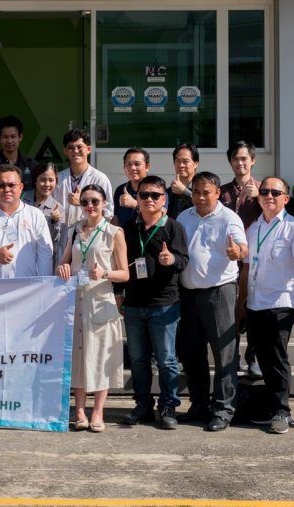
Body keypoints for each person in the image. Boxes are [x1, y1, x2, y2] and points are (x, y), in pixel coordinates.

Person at [237, 176, 294, 434]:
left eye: (275, 193)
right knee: (263, 357)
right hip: (256, 302)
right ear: (258, 197)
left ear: (285, 199)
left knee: (276, 357)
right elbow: (247, 268)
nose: (269, 196)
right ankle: (270, 406)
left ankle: (282, 411)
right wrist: (241, 302)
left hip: (280, 302)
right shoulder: (253, 228)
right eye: (265, 191)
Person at [176, 171, 247, 432]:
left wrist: (237, 252)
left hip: (219, 293)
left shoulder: (229, 218)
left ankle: (223, 409)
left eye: (206, 192)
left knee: (224, 354)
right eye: (196, 192)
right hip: (188, 294)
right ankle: (198, 405)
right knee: (192, 354)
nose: (200, 197)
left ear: (218, 193)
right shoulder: (184, 216)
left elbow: (242, 247)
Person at [55, 184, 129, 433]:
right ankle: (79, 410)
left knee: (98, 358)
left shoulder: (113, 232)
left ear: (104, 203)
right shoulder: (74, 231)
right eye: (85, 201)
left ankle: (98, 411)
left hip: (101, 301)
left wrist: (105, 273)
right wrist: (63, 267)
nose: (89, 206)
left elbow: (125, 273)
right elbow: (63, 262)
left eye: (95, 201)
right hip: (76, 302)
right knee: (78, 357)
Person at [119, 176, 189, 430]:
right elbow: (120, 262)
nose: (149, 199)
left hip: (164, 304)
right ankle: (143, 405)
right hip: (134, 304)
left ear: (164, 199)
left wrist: (172, 260)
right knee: (138, 360)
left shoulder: (173, 227)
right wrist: (119, 294)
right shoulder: (129, 227)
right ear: (137, 198)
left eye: (155, 195)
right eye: (144, 195)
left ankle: (168, 406)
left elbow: (184, 260)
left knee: (166, 360)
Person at [219, 140, 263, 378]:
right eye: (235, 158)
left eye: (244, 158)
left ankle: (253, 358)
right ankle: (232, 356)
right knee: (231, 310)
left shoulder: (264, 189)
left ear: (252, 160)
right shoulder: (222, 191)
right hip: (229, 259)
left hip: (256, 260)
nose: (240, 162)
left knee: (253, 307)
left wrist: (260, 198)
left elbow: (276, 216)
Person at [0, 165, 53, 279]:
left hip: (28, 287)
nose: (6, 189)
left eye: (11, 185)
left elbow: (45, 253)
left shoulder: (35, 215)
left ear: (21, 187)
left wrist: (44, 284)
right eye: (1, 185)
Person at [53, 128, 114, 235]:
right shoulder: (58, 179)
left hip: (90, 236)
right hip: (61, 236)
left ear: (89, 149)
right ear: (65, 151)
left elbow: (109, 214)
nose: (75, 151)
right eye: (71, 148)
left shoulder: (100, 179)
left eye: (79, 147)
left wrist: (82, 203)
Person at [23, 162, 62, 270]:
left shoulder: (58, 208)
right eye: (42, 180)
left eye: (51, 180)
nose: (47, 184)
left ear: (56, 181)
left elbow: (54, 242)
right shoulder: (21, 197)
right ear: (35, 181)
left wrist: (55, 221)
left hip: (42, 261)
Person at [113, 147, 162, 228]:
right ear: (124, 167)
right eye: (129, 164)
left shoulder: (157, 189)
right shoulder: (120, 190)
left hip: (150, 235)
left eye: (137, 164)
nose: (133, 168)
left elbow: (162, 214)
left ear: (147, 167)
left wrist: (135, 204)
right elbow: (116, 218)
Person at [167, 144, 199, 219]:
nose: (181, 165)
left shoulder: (204, 187)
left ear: (196, 164)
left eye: (185, 161)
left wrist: (185, 191)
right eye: (178, 161)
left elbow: (207, 206)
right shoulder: (169, 192)